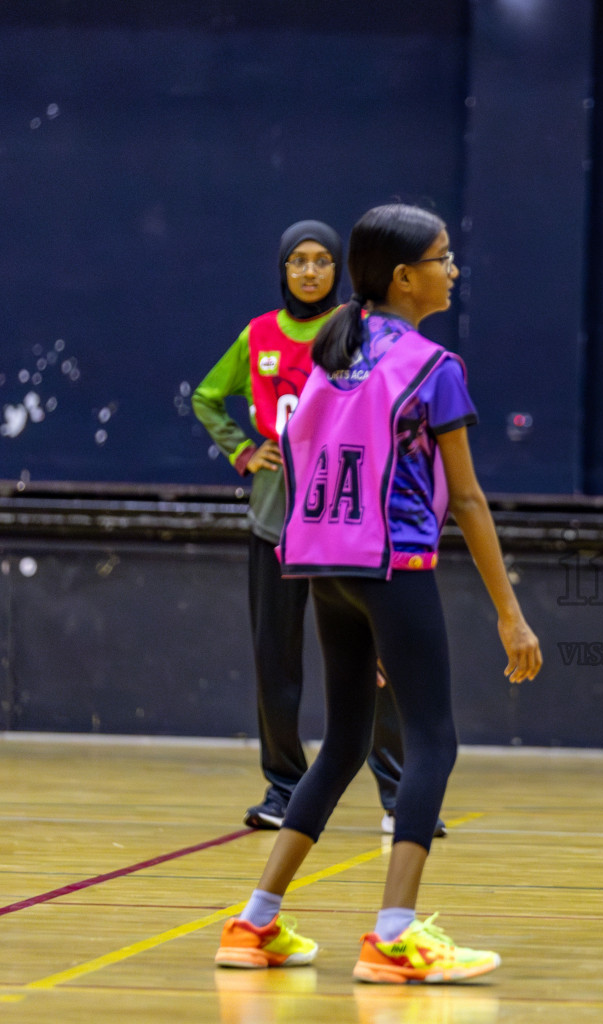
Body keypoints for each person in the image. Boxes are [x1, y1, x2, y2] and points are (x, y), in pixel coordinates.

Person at [213, 203, 542, 983]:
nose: (453, 269)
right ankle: (394, 934)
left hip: (324, 567)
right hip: (394, 566)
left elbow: (301, 459)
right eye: (443, 257)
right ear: (404, 277)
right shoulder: (434, 367)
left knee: (348, 742)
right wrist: (510, 612)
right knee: (433, 743)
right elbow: (465, 501)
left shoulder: (334, 350)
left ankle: (254, 922)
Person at [194, 221, 427, 835]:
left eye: (323, 260)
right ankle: (283, 789)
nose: (310, 271)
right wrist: (243, 452)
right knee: (277, 658)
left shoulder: (356, 330)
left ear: (339, 268)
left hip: (343, 520)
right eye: (298, 260)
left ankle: (399, 793)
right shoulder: (260, 334)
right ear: (283, 268)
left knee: (376, 660)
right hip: (276, 521)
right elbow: (207, 398)